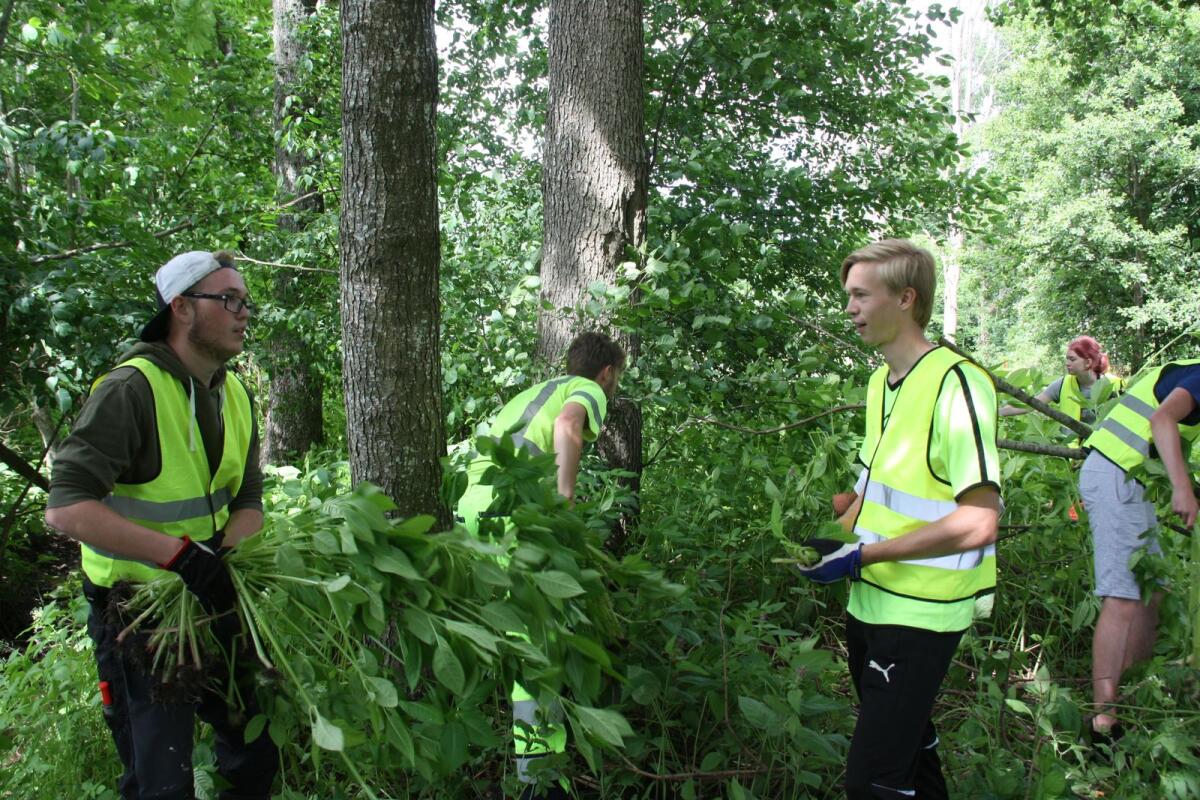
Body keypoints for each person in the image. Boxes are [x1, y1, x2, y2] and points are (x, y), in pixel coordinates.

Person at [45, 250, 277, 800]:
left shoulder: (234, 393)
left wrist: (224, 554)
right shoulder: (131, 390)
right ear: (181, 307)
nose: (244, 312)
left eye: (246, 301)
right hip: (139, 615)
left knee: (254, 753)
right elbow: (66, 507)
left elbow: (247, 496)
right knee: (160, 779)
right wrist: (180, 557)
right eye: (229, 299)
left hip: (214, 595)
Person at [796, 239, 1002, 799]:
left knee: (872, 782)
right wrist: (836, 540)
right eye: (849, 295)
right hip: (871, 603)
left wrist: (862, 556)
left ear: (906, 299)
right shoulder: (879, 384)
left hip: (922, 613)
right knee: (910, 756)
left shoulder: (956, 383)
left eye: (862, 295)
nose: (850, 308)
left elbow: (980, 521)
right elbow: (871, 490)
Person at [456, 331, 624, 800]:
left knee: (515, 633)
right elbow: (569, 423)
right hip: (514, 511)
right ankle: (540, 781)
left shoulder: (536, 392)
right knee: (540, 647)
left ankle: (514, 761)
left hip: (473, 510)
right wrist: (565, 498)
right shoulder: (586, 390)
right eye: (616, 378)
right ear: (606, 372)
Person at [1077, 359, 1200, 739]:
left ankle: (1130, 700)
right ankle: (1103, 722)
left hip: (1129, 480)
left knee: (1152, 591)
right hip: (1115, 474)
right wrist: (1182, 489)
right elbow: (1162, 420)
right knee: (1123, 597)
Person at [1000, 335, 1121, 426]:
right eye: (1067, 359)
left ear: (1088, 362)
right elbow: (1032, 404)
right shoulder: (1064, 384)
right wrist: (997, 412)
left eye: (1072, 359)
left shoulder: (1114, 385)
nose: (1067, 363)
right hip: (1072, 450)